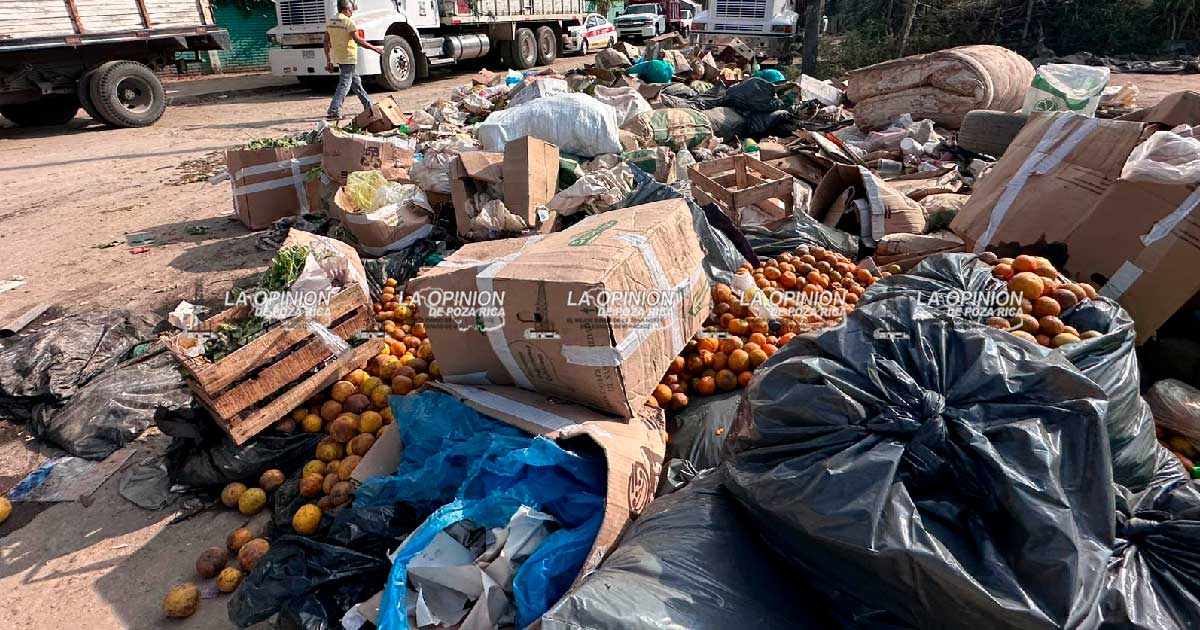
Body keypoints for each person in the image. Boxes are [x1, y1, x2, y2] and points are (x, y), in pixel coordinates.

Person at [324, 0, 382, 120]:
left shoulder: (330, 22)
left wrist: (328, 60)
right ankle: (333, 109)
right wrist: (375, 48)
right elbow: (358, 40)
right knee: (345, 83)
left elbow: (326, 42)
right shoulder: (348, 22)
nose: (352, 12)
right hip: (349, 57)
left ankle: (368, 105)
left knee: (356, 83)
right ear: (345, 9)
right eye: (351, 10)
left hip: (339, 57)